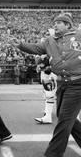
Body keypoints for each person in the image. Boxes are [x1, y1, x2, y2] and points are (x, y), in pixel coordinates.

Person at [10, 13, 81, 157]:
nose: (55, 25)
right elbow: (36, 48)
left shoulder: (79, 35)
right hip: (62, 82)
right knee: (64, 117)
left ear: (67, 25)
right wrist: (21, 45)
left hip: (77, 83)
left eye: (59, 22)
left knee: (64, 121)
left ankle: (53, 154)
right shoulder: (50, 41)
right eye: (54, 23)